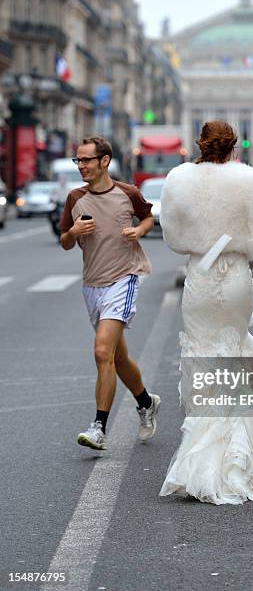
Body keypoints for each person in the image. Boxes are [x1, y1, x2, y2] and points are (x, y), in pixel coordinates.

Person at [159, 121, 253, 505]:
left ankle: (205, 454)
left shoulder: (178, 178)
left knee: (202, 353)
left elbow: (173, 238)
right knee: (236, 349)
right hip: (235, 277)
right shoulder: (251, 180)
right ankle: (242, 453)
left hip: (200, 274)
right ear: (233, 147)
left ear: (200, 144)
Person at [60, 136, 161, 450]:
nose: (81, 166)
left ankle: (99, 427)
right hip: (92, 284)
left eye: (87, 160)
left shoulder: (127, 193)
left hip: (124, 278)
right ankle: (147, 402)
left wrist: (139, 230)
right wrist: (73, 233)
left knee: (102, 351)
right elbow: (64, 241)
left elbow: (147, 215)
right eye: (78, 160)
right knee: (118, 358)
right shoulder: (75, 198)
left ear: (104, 161)